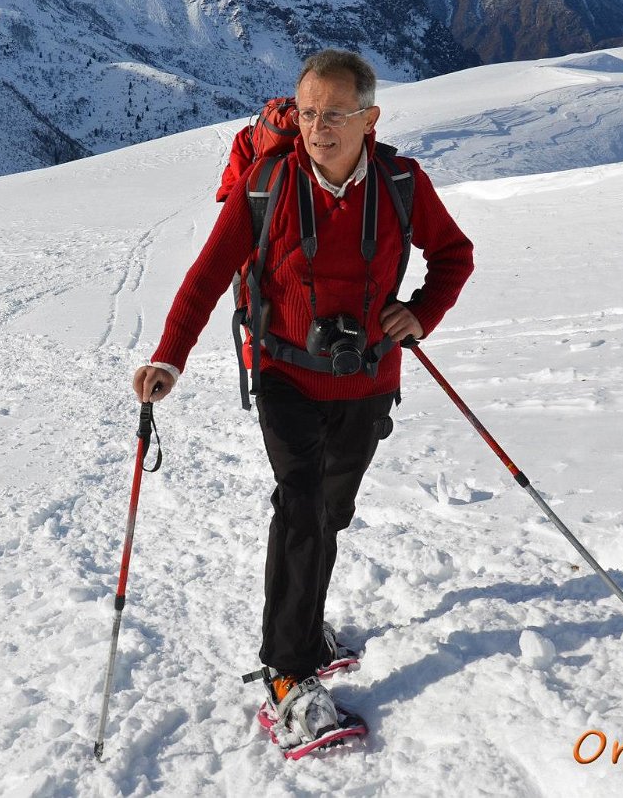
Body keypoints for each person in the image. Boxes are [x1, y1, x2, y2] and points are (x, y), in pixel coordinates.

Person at [131, 48, 475, 745]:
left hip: (369, 377)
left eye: (336, 115)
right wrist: (170, 354)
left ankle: (305, 618)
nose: (319, 127)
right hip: (284, 372)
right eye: (310, 113)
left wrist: (422, 312)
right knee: (301, 503)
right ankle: (288, 670)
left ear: (369, 118)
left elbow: (454, 255)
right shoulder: (268, 185)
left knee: (331, 511)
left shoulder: (402, 182)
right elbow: (206, 277)